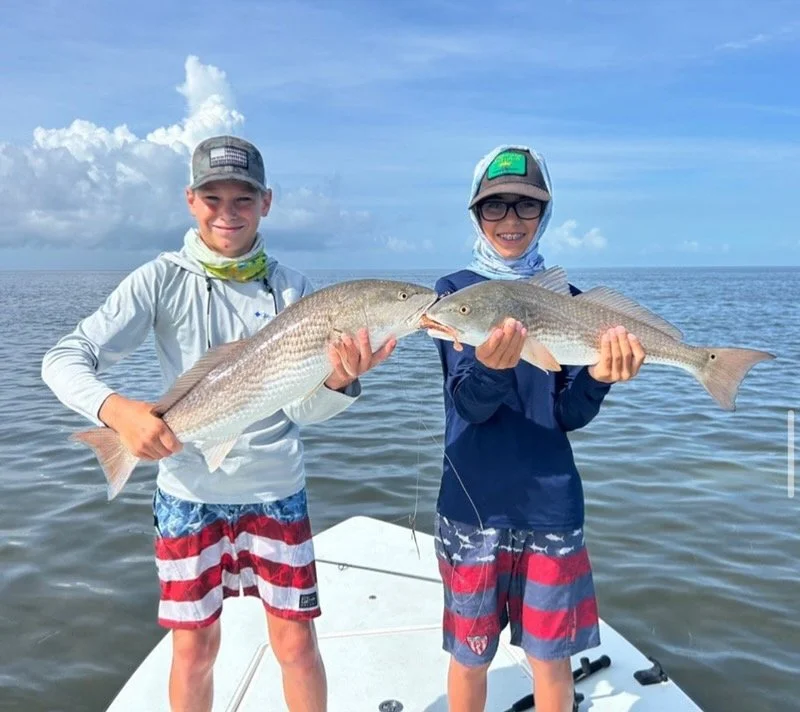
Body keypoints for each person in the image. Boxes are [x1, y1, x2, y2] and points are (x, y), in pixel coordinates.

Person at [41, 135, 395, 712]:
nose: (227, 213)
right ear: (189, 200)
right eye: (213, 198)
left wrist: (336, 381)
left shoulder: (293, 290)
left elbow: (301, 410)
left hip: (276, 490)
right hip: (187, 493)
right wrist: (118, 412)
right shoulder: (159, 279)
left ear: (267, 203)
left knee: (297, 643)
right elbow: (62, 358)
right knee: (194, 650)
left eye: (243, 199)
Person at [431, 145, 646, 712]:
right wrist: (493, 369)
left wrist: (599, 376)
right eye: (494, 207)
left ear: (545, 212)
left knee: (552, 660)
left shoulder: (571, 303)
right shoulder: (453, 296)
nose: (509, 221)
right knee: (470, 656)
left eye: (525, 207)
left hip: (553, 505)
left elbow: (567, 415)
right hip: (471, 503)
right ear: (475, 215)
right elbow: (469, 406)